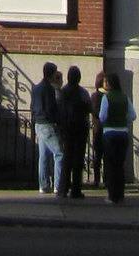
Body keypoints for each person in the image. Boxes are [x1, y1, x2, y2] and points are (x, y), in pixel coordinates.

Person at [97, 70, 134, 205]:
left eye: (107, 82)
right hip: (123, 133)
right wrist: (123, 120)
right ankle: (121, 194)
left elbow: (102, 116)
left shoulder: (107, 97)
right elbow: (132, 115)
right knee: (120, 165)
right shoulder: (125, 97)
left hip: (110, 133)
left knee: (111, 166)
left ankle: (112, 196)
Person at [58, 65, 91, 200]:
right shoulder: (83, 93)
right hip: (80, 129)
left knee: (67, 159)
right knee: (78, 161)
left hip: (67, 129)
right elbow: (89, 107)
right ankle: (76, 190)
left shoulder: (63, 92)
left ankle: (63, 189)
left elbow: (59, 110)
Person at [32, 60, 63, 195]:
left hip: (38, 123)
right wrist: (57, 120)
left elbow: (33, 106)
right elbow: (51, 108)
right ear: (51, 73)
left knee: (43, 155)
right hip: (48, 124)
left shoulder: (36, 87)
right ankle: (58, 185)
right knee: (59, 153)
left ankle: (43, 185)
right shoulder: (49, 89)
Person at [90, 67, 108, 186]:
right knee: (98, 155)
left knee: (106, 156)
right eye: (106, 81)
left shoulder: (109, 95)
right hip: (99, 129)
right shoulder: (96, 96)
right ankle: (97, 179)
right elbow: (94, 111)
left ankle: (106, 178)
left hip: (105, 129)